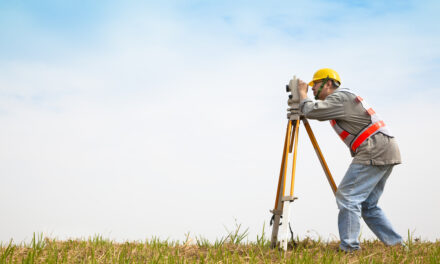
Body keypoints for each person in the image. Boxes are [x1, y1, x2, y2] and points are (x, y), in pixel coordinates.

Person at [297, 68, 403, 252]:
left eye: (315, 85)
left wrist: (302, 94)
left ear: (328, 83)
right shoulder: (344, 97)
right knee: (368, 205)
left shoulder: (339, 97)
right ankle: (397, 245)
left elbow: (311, 111)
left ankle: (350, 248)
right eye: (310, 86)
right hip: (384, 148)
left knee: (348, 197)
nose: (312, 89)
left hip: (374, 148)